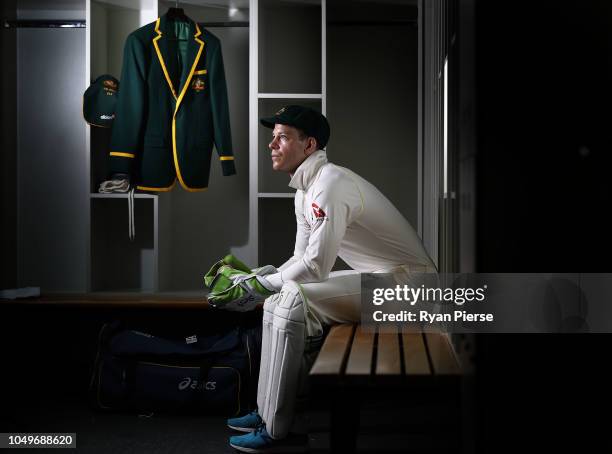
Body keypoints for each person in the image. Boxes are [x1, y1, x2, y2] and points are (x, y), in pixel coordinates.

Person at [211, 105, 436, 453]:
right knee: (278, 297)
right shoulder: (305, 190)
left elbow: (316, 267)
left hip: (411, 290)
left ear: (309, 144)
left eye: (282, 137)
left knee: (290, 300)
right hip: (381, 280)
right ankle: (265, 411)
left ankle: (276, 430)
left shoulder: (331, 183)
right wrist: (260, 278)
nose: (272, 144)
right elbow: (300, 259)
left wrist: (257, 286)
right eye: (273, 137)